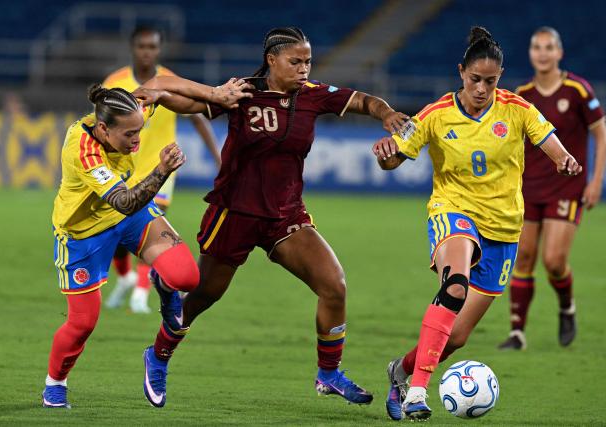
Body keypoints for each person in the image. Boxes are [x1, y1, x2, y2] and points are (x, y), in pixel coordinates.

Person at [135, 26, 408, 408]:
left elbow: (363, 100)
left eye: (308, 61)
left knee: (334, 285)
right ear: (271, 60)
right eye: (295, 61)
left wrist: (387, 112)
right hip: (235, 212)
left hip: (286, 216)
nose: (303, 69)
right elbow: (190, 104)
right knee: (201, 298)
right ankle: (158, 355)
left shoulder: (314, 96)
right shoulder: (241, 92)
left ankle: (328, 373)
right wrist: (159, 95)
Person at [372, 26, 582, 421]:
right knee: (455, 284)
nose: (482, 88)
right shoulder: (435, 114)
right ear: (460, 73)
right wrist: (386, 153)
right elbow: (395, 157)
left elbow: (550, 143)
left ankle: (400, 372)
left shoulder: (516, 108)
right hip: (453, 212)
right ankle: (417, 392)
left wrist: (563, 159)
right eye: (474, 80)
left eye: (490, 81)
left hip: (503, 229)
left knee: (456, 337)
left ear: (499, 79)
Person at [42, 79, 250, 409]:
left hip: (129, 217)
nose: (138, 140)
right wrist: (161, 170)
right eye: (130, 135)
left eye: (140, 130)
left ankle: (163, 286)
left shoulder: (126, 111)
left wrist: (216, 94)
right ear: (103, 130)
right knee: (83, 323)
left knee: (187, 278)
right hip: (84, 232)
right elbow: (124, 200)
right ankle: (55, 383)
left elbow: (159, 85)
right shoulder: (83, 152)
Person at [498, 27, 606, 350]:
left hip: (567, 186)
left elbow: (601, 135)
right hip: (527, 188)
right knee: (524, 258)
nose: (543, 53)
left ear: (559, 53)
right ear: (531, 53)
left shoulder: (578, 90)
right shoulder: (521, 94)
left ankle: (566, 306)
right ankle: (517, 332)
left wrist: (596, 181)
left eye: (549, 47)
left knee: (553, 261)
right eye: (537, 47)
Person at [103, 26, 222, 314]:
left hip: (161, 170)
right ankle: (126, 278)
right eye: (142, 46)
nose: (147, 52)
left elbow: (197, 118)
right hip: (123, 170)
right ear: (133, 48)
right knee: (118, 240)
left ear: (159, 49)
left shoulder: (169, 81)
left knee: (150, 231)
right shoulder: (116, 82)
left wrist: (219, 159)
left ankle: (140, 295)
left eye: (152, 47)